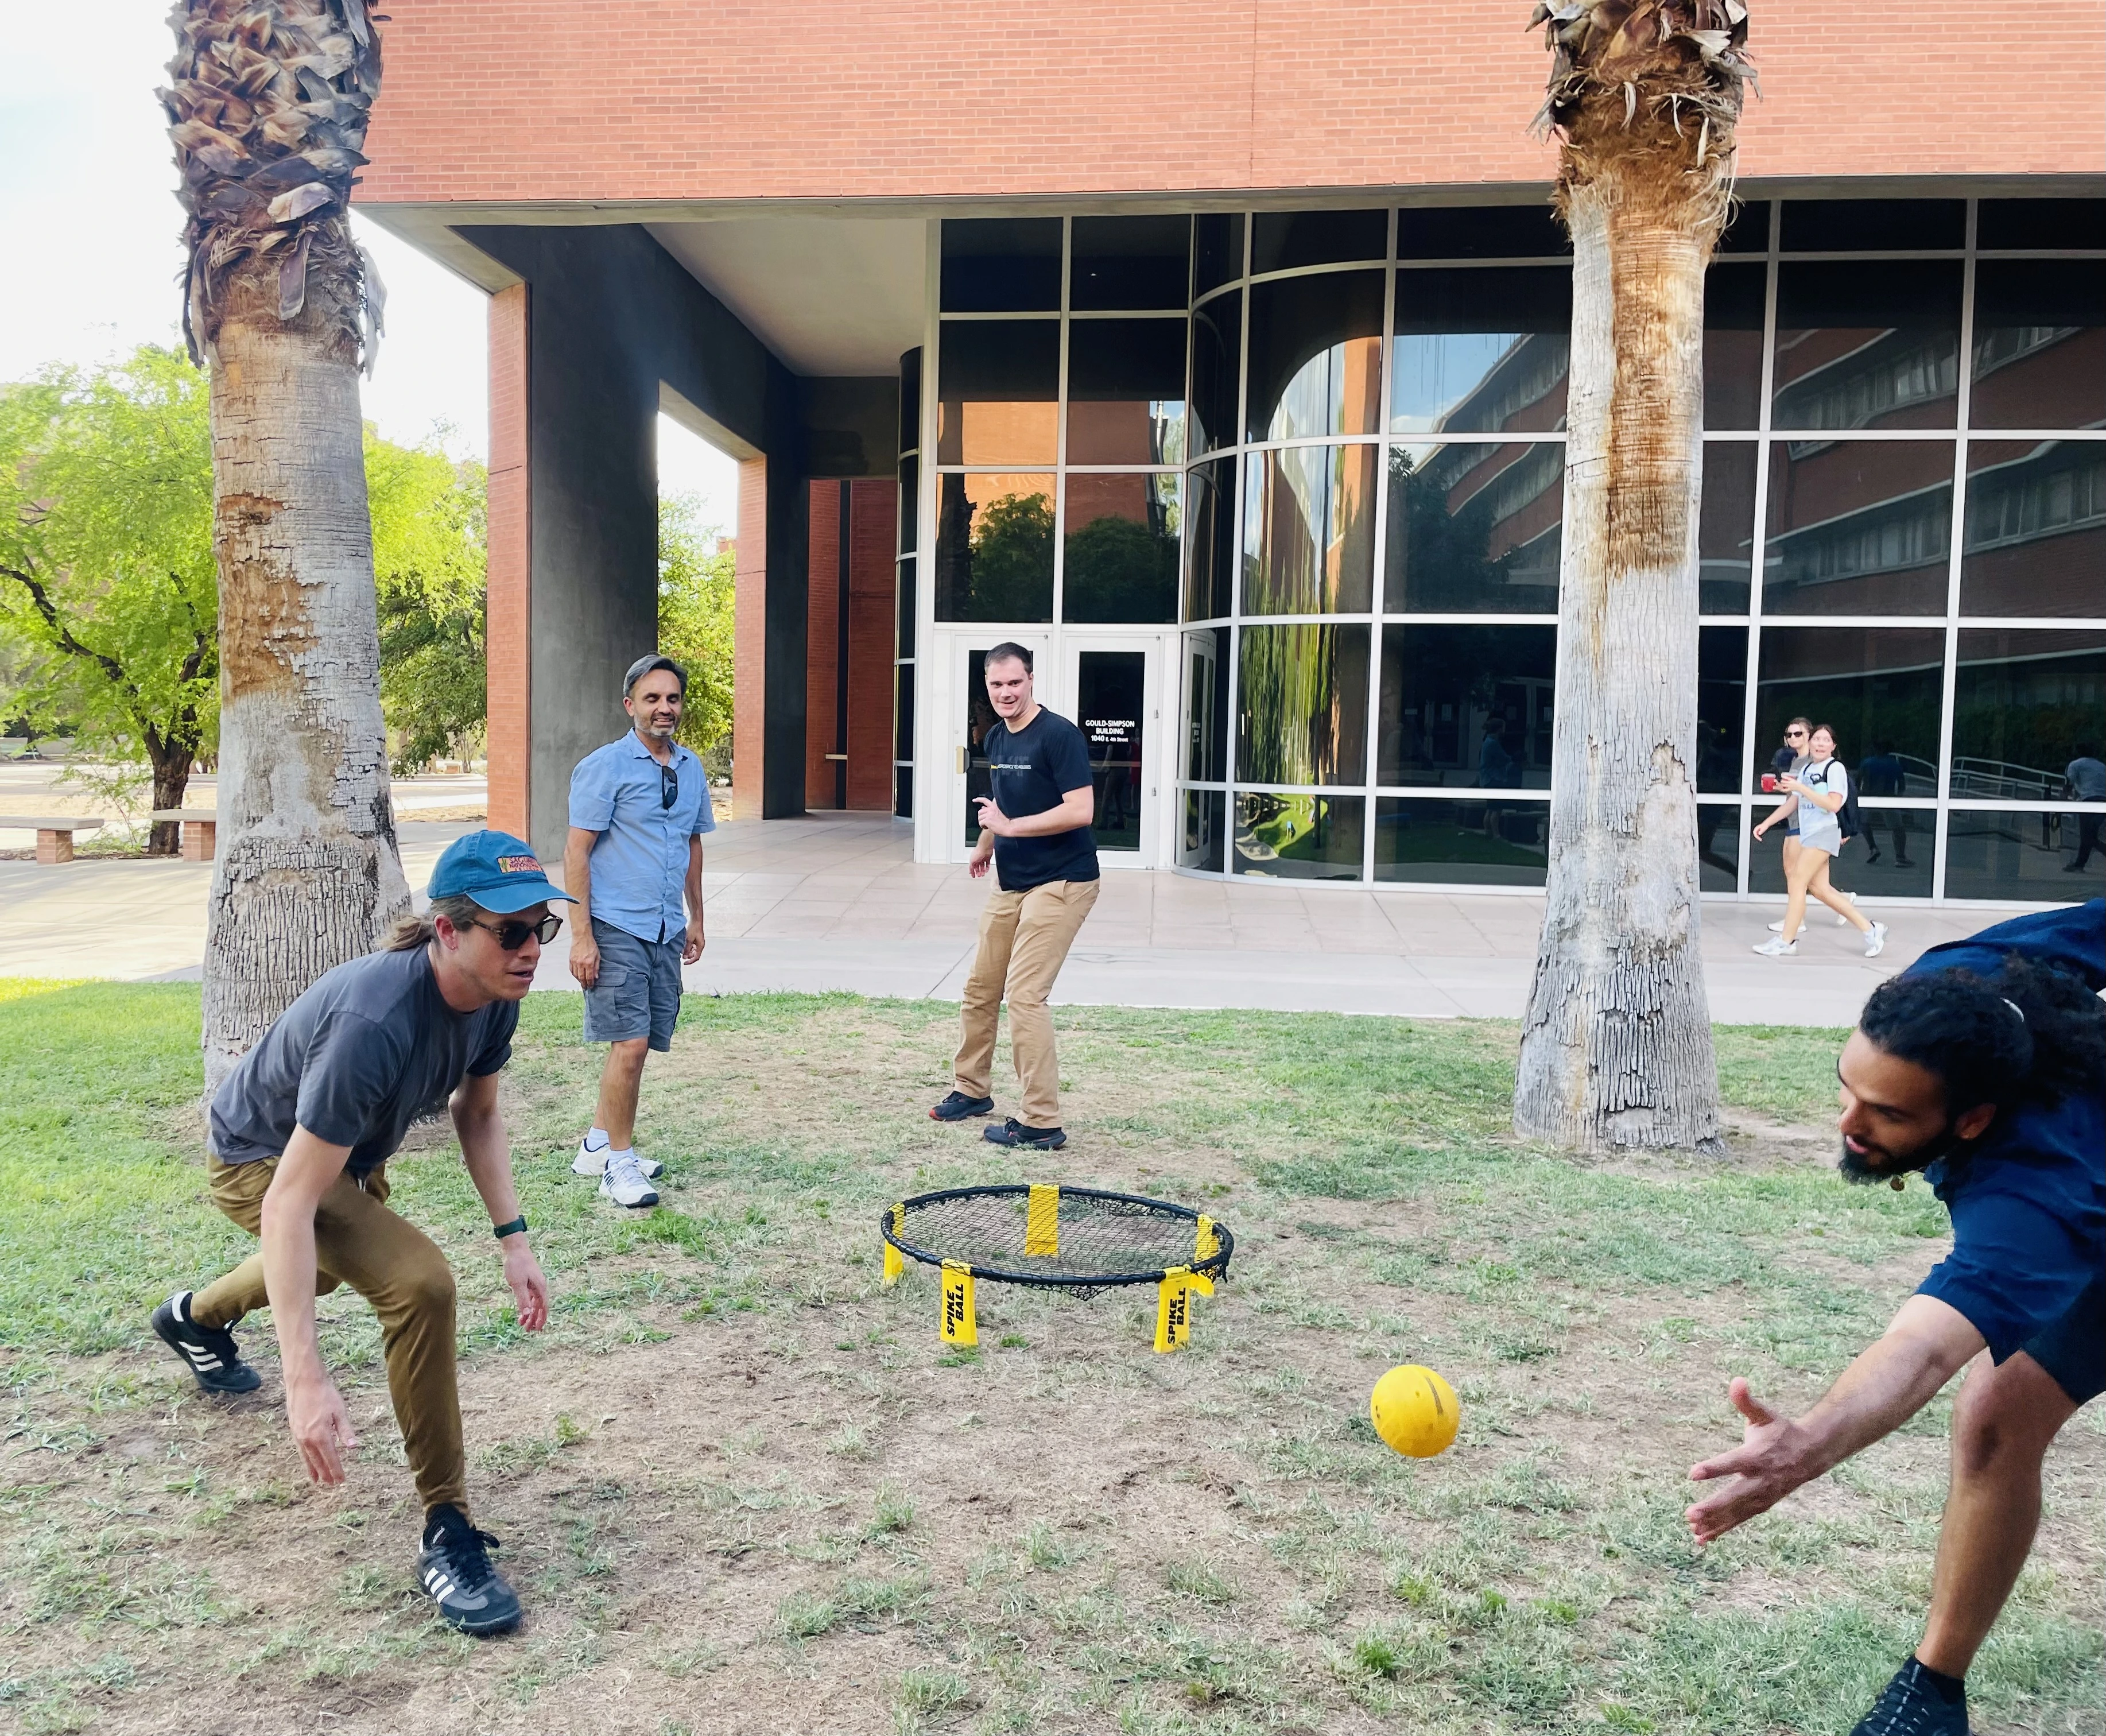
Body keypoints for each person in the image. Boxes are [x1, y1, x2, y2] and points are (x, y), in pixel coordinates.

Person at [1686, 900, 2105, 1736]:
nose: (1848, 1125)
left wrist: (1809, 1443)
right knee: (1995, 1416)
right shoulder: (1959, 988)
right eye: (1851, 1088)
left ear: (1974, 1121)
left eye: (1887, 1114)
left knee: (1991, 1402)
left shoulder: (2030, 1200)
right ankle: (1931, 1698)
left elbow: (1922, 1347)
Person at [150, 832, 567, 1635]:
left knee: (333, 1267)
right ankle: (447, 1529)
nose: (530, 950)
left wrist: (514, 1241)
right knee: (418, 1284)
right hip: (260, 1162)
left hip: (339, 1159)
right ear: (448, 931)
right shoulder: (376, 1018)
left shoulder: (489, 1002)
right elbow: (287, 1205)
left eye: (540, 927)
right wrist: (305, 1381)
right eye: (509, 931)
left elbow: (476, 1114)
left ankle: (195, 1317)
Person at [928, 642, 1100, 1151]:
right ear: (987, 687)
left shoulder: (1059, 735)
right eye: (996, 685)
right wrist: (986, 844)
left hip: (1063, 880)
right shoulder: (999, 738)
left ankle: (1041, 1121)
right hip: (1012, 878)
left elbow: (1080, 810)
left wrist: (1009, 828)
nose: (1005, 693)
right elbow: (1003, 802)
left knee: (1025, 997)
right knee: (981, 988)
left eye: (1014, 683)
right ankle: (971, 1089)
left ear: (1031, 681)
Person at [565, 654, 713, 1208]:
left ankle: (597, 1145)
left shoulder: (691, 767)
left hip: (665, 926)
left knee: (643, 1041)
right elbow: (576, 853)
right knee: (627, 1043)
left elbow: (693, 843)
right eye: (651, 699)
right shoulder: (604, 767)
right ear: (630, 706)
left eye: (671, 698)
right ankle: (619, 1167)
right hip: (616, 923)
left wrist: (696, 916)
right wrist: (582, 936)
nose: (663, 708)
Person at [1753, 723, 1886, 958]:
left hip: (1825, 831)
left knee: (1797, 881)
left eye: (1826, 740)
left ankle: (1786, 940)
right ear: (1810, 742)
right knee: (1820, 889)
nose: (1821, 744)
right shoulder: (1806, 770)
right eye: (1817, 739)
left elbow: (1833, 804)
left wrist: (1802, 789)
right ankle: (1871, 929)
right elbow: (1793, 803)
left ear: (1833, 746)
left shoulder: (1834, 769)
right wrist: (1768, 823)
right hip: (1809, 833)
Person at [1857, 741, 1913, 869]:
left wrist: (1859, 796)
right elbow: (1902, 785)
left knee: (1864, 823)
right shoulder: (1894, 764)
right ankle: (1900, 857)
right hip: (1888, 799)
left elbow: (1858, 780)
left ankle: (1873, 847)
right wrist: (1899, 798)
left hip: (1868, 798)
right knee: (1898, 829)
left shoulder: (1867, 763)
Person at [2063, 743, 2104, 873]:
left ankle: (2079, 865)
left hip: (2088, 801)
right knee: (2091, 834)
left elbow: (2069, 783)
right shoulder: (2102, 766)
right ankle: (2080, 864)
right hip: (2103, 801)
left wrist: (2062, 800)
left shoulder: (2075, 765)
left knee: (2088, 836)